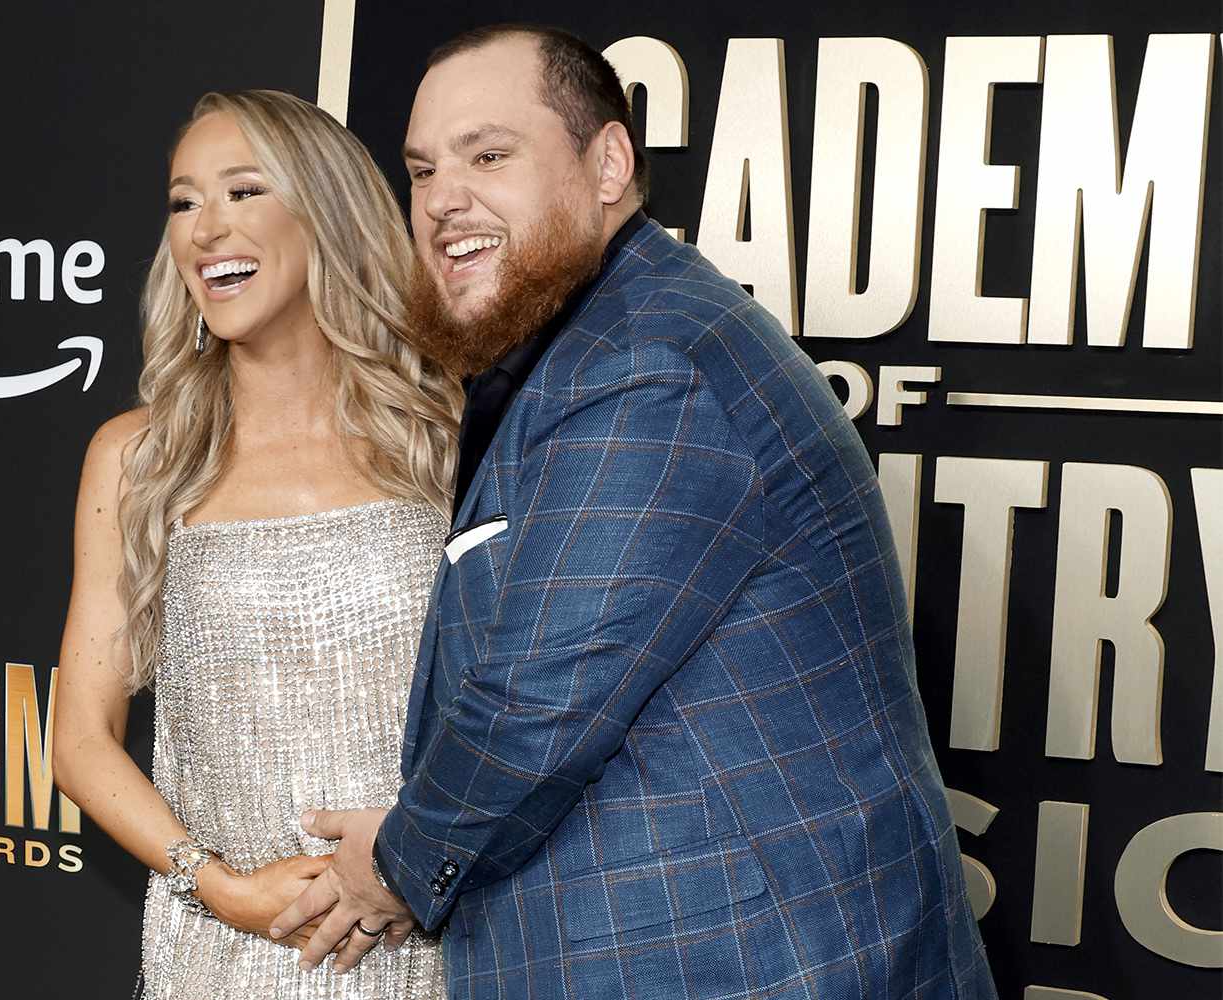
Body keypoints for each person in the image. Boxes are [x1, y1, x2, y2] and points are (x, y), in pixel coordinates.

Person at [270, 25, 998, 1000]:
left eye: (490, 154)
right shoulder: (594, 343)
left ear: (608, 162)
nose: (443, 197)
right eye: (423, 168)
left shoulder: (644, 364)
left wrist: (396, 860)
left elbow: (537, 700)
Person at [51, 89, 460, 999]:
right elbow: (79, 739)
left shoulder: (445, 434)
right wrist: (218, 886)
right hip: (227, 958)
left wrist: (420, 862)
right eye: (184, 201)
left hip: (433, 947)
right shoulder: (138, 457)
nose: (204, 229)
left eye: (242, 192)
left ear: (326, 211)